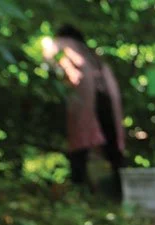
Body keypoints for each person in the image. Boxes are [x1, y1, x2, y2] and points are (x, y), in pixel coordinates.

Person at [42, 25, 125, 194]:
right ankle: (121, 191)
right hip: (108, 101)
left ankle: (78, 188)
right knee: (112, 148)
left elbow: (49, 65)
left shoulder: (60, 44)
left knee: (80, 144)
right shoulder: (92, 54)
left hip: (82, 101)